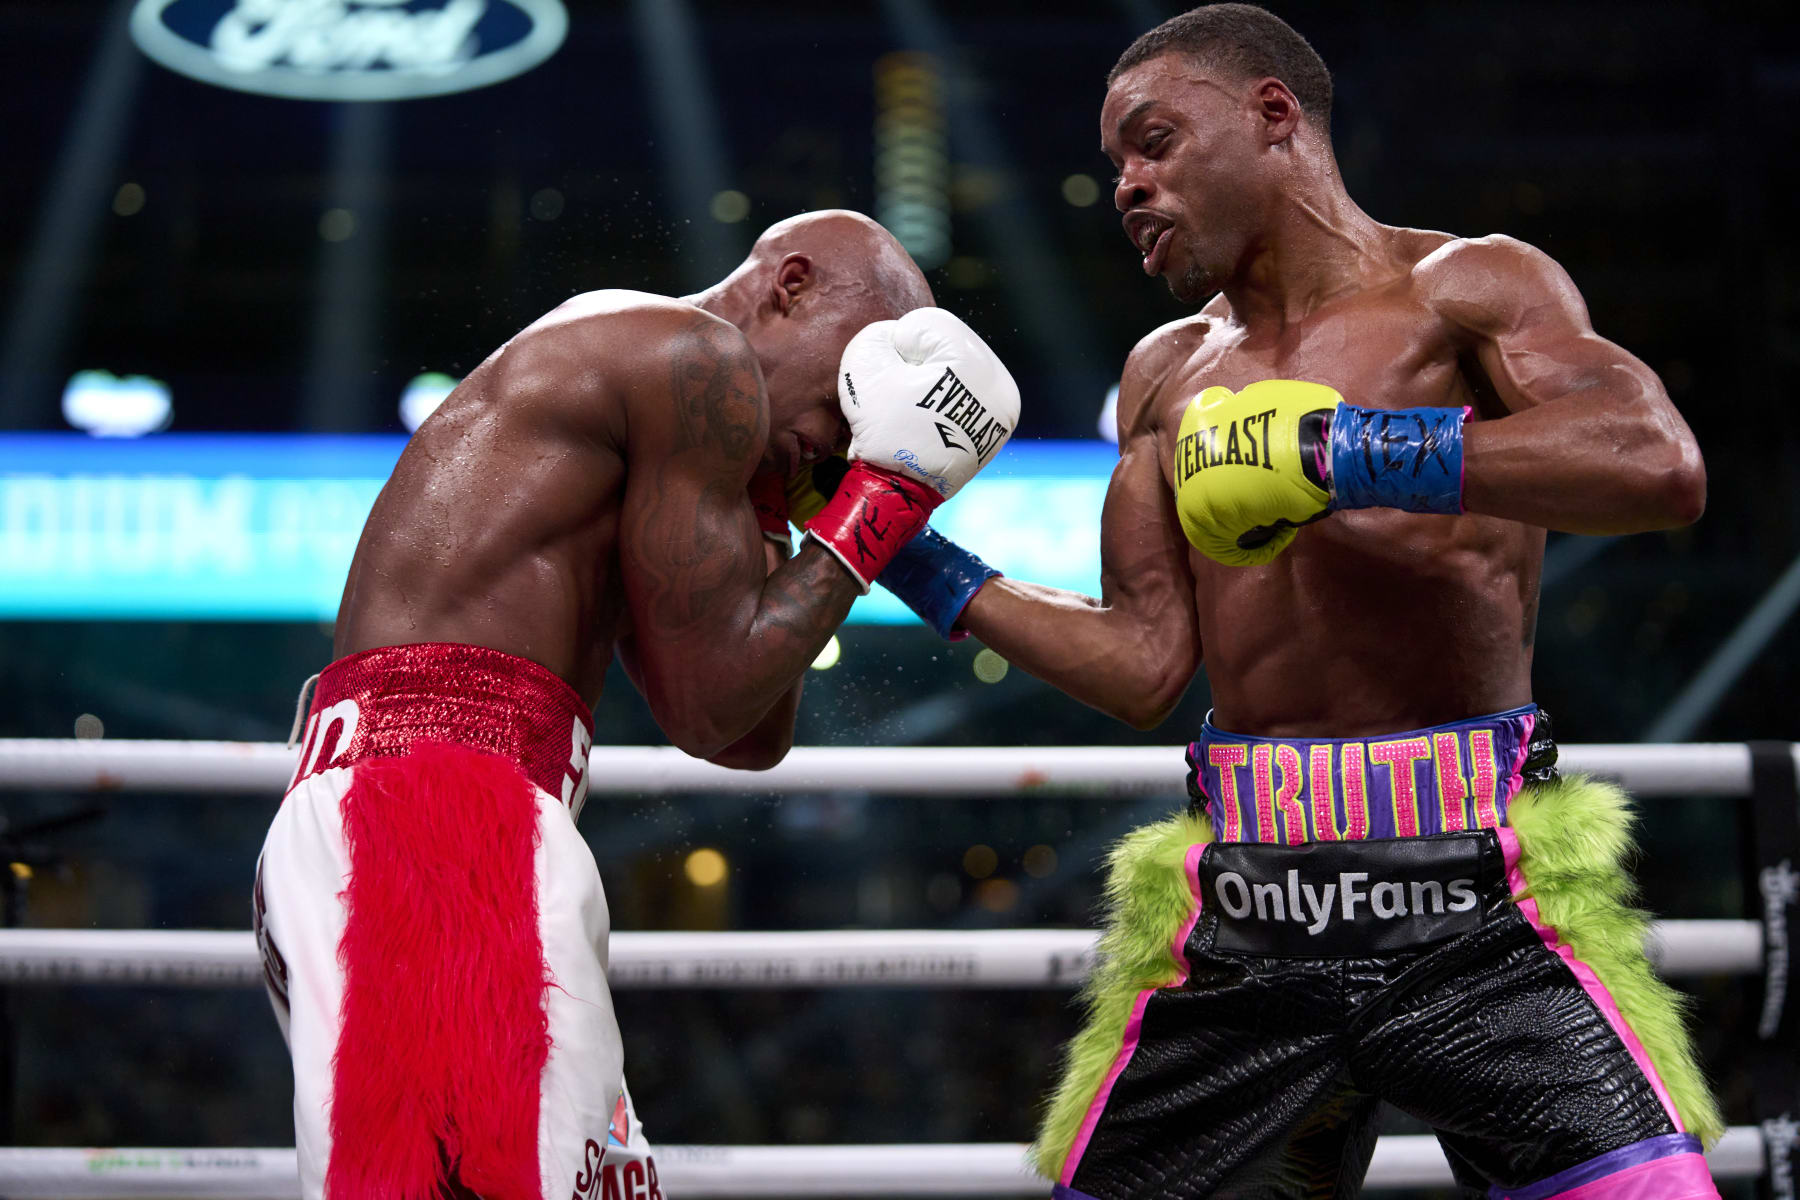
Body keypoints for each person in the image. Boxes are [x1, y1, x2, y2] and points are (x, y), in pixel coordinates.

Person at [861, 6, 1721, 1197]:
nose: (1129, 185)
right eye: (1116, 164)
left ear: (1273, 116)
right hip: (1246, 912)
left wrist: (1348, 451)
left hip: (1481, 895)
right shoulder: (1164, 375)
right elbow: (1144, 661)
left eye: (1154, 142)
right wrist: (903, 552)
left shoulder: (1465, 286)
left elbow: (1655, 464)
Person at [251, 209, 1019, 1200]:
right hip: (439, 816)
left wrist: (796, 506)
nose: (852, 423)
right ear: (790, 286)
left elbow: (744, 733)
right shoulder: (693, 356)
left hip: (429, 814)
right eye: (851, 385)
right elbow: (710, 705)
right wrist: (885, 497)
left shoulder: (665, 400)